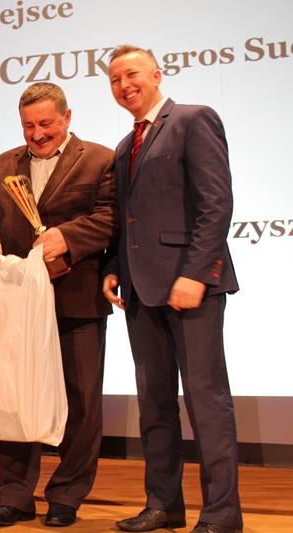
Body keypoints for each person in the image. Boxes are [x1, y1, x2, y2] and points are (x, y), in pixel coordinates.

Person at [0, 82, 117, 528]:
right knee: (13, 398)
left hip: (77, 299)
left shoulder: (101, 160)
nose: (37, 134)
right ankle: (14, 496)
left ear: (67, 118)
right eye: (28, 126)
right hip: (17, 303)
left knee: (81, 402)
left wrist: (67, 236)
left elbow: (111, 217)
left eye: (46, 123)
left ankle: (67, 496)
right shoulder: (2, 164)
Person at [103, 45, 242, 533]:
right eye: (115, 79)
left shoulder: (193, 119)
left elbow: (216, 204)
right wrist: (114, 268)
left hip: (192, 288)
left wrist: (196, 274)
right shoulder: (126, 145)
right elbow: (127, 220)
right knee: (154, 403)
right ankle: (164, 505)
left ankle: (221, 515)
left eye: (132, 74)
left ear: (157, 75)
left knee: (207, 401)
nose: (125, 85)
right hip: (140, 292)